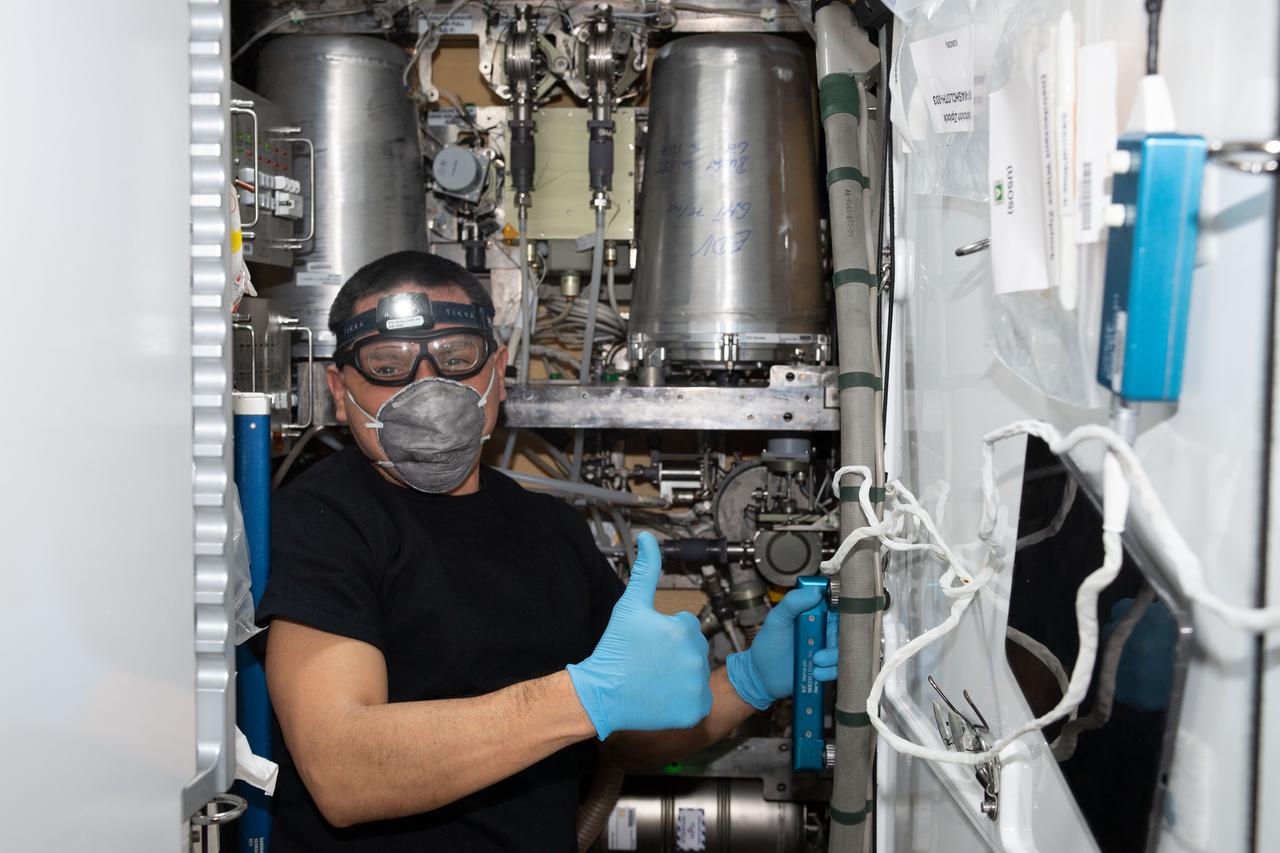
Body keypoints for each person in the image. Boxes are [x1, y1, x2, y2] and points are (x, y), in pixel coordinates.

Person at [255, 250, 839, 851]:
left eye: (456, 358)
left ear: (498, 372)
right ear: (339, 389)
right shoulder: (323, 519)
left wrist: (748, 681)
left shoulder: (551, 529)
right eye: (387, 364)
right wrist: (582, 700)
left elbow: (631, 734)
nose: (427, 386)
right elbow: (344, 772)